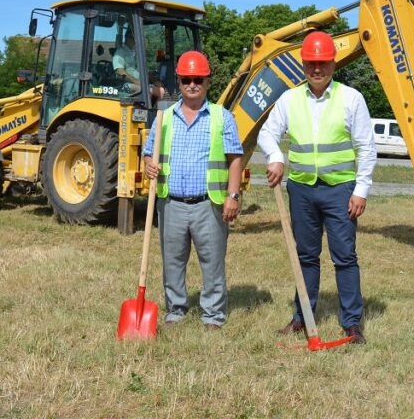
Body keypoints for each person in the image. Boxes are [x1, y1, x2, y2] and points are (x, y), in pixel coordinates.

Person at [257, 31, 377, 344]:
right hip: (302, 190)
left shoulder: (351, 98)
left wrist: (361, 189)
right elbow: (267, 133)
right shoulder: (289, 98)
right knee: (306, 256)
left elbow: (366, 146)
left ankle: (351, 323)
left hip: (340, 191)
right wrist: (275, 157)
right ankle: (302, 317)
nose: (317, 69)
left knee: (344, 257)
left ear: (333, 63)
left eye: (322, 62)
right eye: (311, 63)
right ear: (304, 64)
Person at [143, 51, 243, 331]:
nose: (192, 85)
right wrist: (149, 164)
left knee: (212, 261)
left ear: (207, 81)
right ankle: (176, 309)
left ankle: (213, 315)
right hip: (171, 204)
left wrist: (232, 197)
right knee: (172, 260)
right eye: (187, 79)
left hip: (208, 204)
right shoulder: (164, 118)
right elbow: (148, 153)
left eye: (198, 79)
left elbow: (235, 158)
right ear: (179, 81)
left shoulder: (222, 117)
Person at [113, 28, 142, 95]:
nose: (135, 40)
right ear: (127, 38)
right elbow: (119, 71)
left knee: (159, 90)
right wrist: (136, 81)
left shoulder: (135, 53)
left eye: (136, 38)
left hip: (139, 83)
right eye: (133, 38)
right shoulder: (120, 52)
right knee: (144, 90)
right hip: (124, 84)